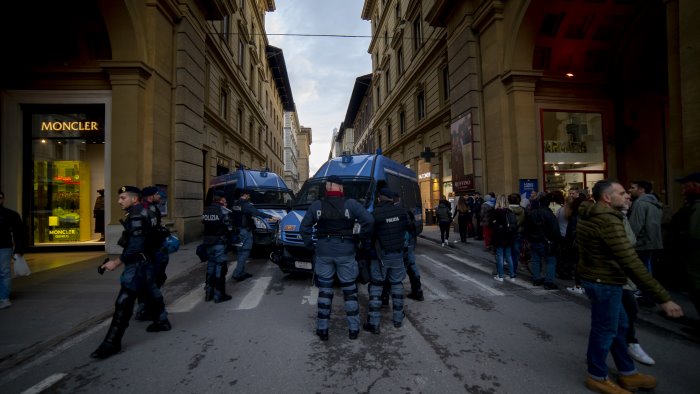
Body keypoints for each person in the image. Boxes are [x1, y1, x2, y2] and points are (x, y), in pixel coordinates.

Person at [577, 179, 683, 393]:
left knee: (618, 328)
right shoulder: (607, 220)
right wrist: (662, 297)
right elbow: (630, 260)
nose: (627, 196)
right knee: (606, 330)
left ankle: (627, 371)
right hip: (605, 281)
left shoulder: (596, 215)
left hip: (603, 279)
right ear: (607, 197)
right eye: (622, 192)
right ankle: (597, 375)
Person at [90, 186, 171, 359]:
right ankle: (162, 321)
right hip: (147, 260)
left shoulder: (136, 215)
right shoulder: (146, 211)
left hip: (137, 263)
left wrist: (116, 262)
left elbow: (135, 245)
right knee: (152, 291)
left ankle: (112, 342)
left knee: (124, 301)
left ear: (134, 199)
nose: (119, 201)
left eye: (123, 198)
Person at [300, 176, 373, 341]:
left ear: (327, 188)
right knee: (350, 291)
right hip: (346, 252)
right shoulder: (351, 204)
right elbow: (369, 220)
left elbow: (304, 227)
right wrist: (360, 237)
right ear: (340, 188)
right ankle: (353, 330)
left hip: (324, 252)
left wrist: (311, 245)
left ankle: (323, 330)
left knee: (325, 291)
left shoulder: (317, 205)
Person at [364, 187, 410, 334]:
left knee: (376, 288)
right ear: (392, 199)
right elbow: (410, 229)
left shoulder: (375, 214)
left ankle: (374, 323)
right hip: (397, 256)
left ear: (379, 198)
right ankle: (397, 319)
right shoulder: (402, 212)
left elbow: (368, 235)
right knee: (397, 286)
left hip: (380, 257)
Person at [668, 172, 700, 335]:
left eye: (686, 185)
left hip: (695, 257)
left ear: (696, 186)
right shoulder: (692, 204)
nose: (682, 188)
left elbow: (694, 233)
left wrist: (681, 238)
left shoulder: (697, 206)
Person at [133, 186, 170, 319]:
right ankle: (154, 312)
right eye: (157, 194)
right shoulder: (150, 210)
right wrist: (163, 232)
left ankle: (144, 307)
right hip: (152, 252)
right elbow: (151, 233)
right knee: (154, 280)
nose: (160, 196)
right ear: (150, 197)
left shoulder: (141, 209)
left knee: (148, 280)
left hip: (147, 252)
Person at [231, 188, 278, 281]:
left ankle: (241, 272)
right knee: (245, 252)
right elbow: (258, 213)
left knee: (240, 252)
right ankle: (237, 273)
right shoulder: (246, 205)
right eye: (249, 195)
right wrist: (271, 217)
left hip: (237, 231)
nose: (249, 197)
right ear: (245, 195)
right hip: (245, 231)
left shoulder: (235, 204)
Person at [201, 189, 234, 303]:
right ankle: (219, 295)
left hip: (208, 243)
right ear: (222, 199)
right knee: (221, 269)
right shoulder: (223, 211)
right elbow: (229, 228)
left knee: (210, 268)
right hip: (219, 243)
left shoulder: (206, 210)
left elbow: (204, 224)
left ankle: (208, 293)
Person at [525, 194, 561, 289]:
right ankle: (549, 282)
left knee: (536, 260)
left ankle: (536, 279)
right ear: (548, 204)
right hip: (547, 241)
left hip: (535, 240)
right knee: (550, 261)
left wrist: (528, 239)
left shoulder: (532, 213)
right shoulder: (550, 215)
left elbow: (527, 228)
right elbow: (555, 230)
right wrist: (557, 241)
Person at [627, 181, 663, 275]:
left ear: (641, 190)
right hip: (653, 240)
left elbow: (635, 225)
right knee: (648, 264)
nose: (629, 190)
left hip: (643, 241)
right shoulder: (655, 202)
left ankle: (646, 288)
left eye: (632, 188)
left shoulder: (640, 203)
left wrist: (629, 239)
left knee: (643, 267)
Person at [0, 191, 27, 309]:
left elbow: (19, 232)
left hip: (4, 247)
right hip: (5, 247)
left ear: (3, 199)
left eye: (0, 197)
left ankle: (4, 298)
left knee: (4, 272)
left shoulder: (10, 214)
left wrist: (19, 249)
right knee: (4, 272)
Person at [490, 195, 517, 282]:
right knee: (509, 256)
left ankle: (500, 275)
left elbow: (493, 224)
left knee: (500, 256)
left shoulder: (497, 211)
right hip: (509, 236)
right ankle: (512, 275)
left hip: (499, 236)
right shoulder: (510, 211)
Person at [508, 193, 525, 279]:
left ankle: (509, 270)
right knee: (515, 253)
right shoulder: (522, 210)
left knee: (507, 252)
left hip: (508, 233)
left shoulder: (507, 210)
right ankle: (513, 270)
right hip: (518, 233)